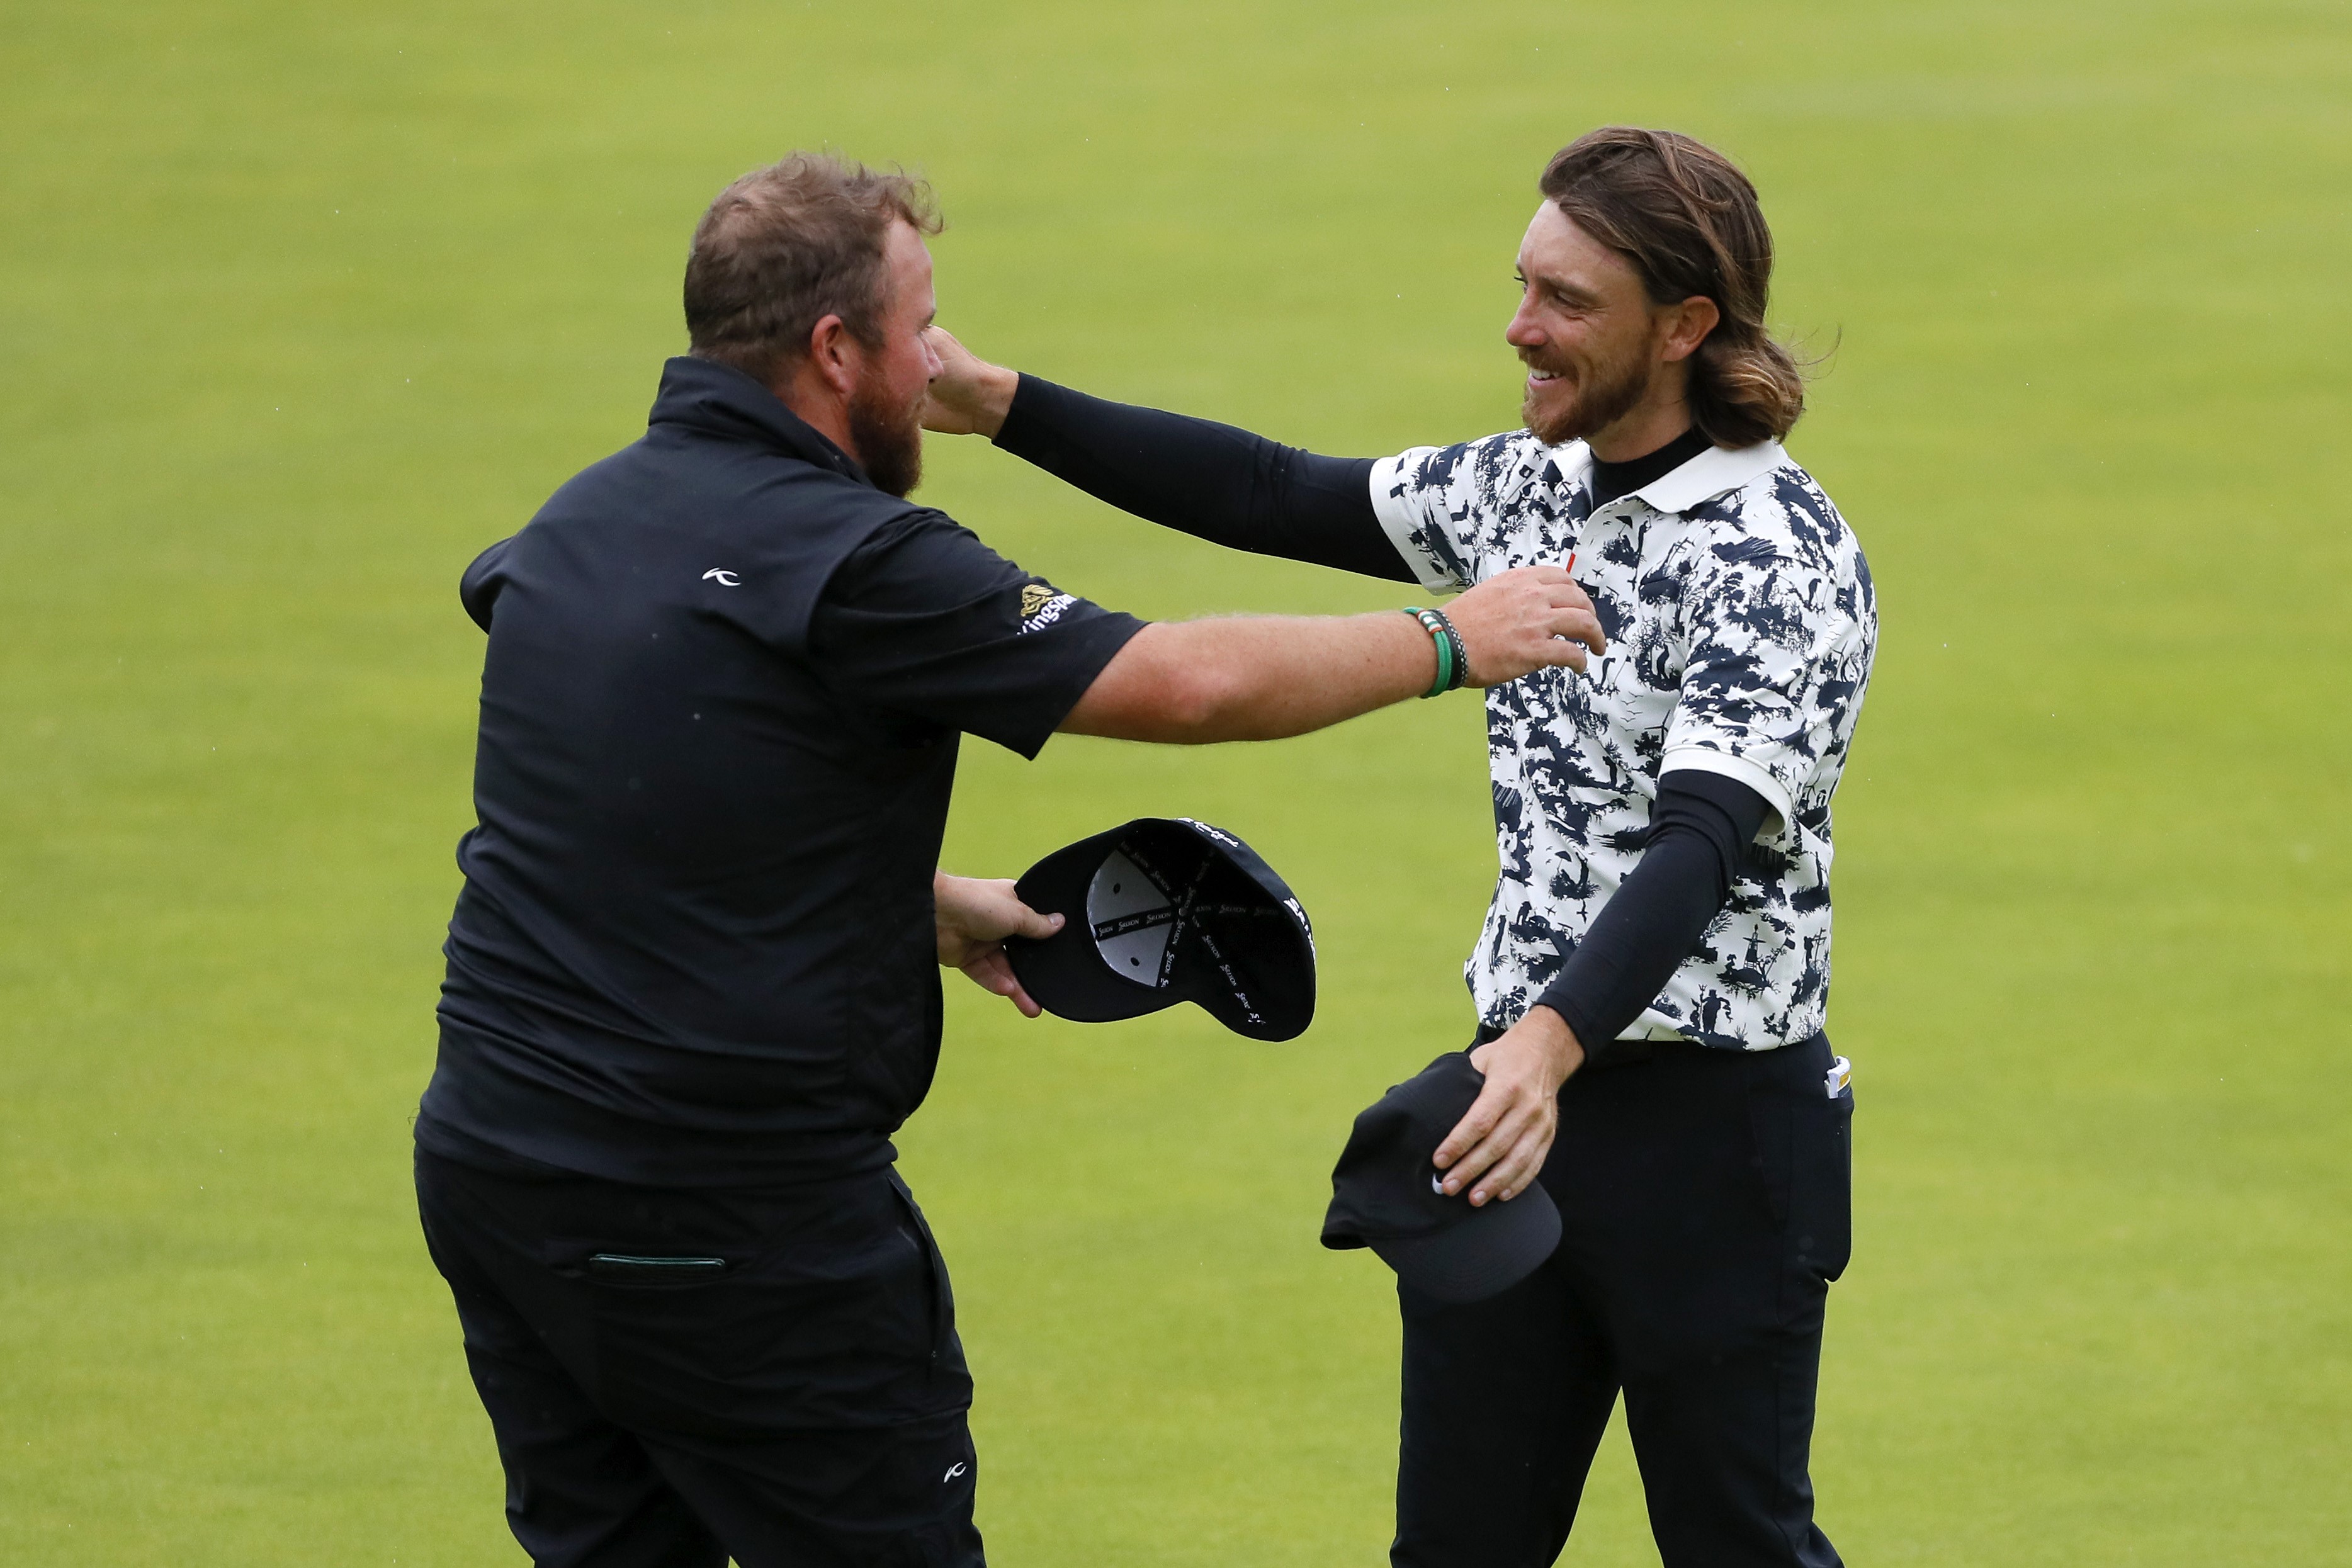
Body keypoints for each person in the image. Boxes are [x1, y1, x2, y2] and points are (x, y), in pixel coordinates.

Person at [410, 152, 1604, 1568]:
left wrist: (904, 904)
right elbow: (1179, 684)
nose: (933, 365)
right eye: (918, 328)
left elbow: (627, 799)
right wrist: (1448, 639)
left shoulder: (574, 527)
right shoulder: (858, 563)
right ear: (833, 348)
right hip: (723, 1208)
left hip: (495, 1174)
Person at [922, 126, 1877, 1567]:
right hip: (1509, 1114)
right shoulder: (1523, 486)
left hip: (1714, 1136)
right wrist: (998, 405)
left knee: (1738, 1544)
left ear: (1681, 327)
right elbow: (1267, 492)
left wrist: (1544, 1047)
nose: (1519, 327)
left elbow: (1696, 848)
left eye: (1566, 302)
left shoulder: (1776, 558)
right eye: (1521, 284)